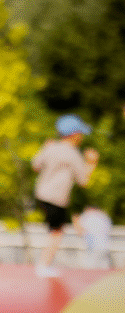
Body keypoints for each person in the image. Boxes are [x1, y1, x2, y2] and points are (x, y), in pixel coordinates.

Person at [31, 114, 99, 277]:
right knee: (57, 232)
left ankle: (44, 265)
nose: (81, 137)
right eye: (80, 134)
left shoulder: (51, 147)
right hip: (57, 198)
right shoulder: (73, 154)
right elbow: (83, 181)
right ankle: (43, 266)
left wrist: (45, 148)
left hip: (41, 194)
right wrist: (91, 163)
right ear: (74, 135)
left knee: (54, 230)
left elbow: (36, 165)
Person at [72, 202, 113, 270]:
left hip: (93, 248)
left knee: (89, 272)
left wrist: (75, 220)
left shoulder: (87, 216)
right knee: (104, 273)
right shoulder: (104, 216)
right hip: (106, 247)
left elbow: (80, 232)